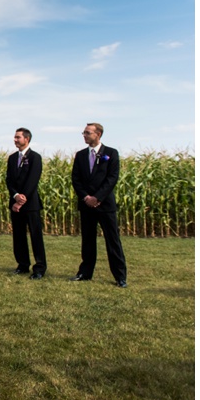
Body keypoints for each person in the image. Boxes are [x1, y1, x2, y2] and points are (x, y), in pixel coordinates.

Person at [70, 123, 128, 288]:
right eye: (84, 133)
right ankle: (85, 273)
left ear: (98, 134)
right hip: (86, 204)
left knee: (113, 240)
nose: (84, 135)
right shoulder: (80, 155)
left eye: (87, 133)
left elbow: (112, 178)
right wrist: (86, 197)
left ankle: (120, 276)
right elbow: (76, 179)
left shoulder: (110, 153)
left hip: (105, 205)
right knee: (87, 241)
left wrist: (97, 197)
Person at [5, 128, 47, 280]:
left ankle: (40, 267)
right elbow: (9, 180)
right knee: (18, 235)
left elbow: (32, 180)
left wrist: (22, 200)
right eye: (14, 137)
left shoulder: (35, 157)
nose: (15, 140)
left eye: (18, 137)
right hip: (15, 202)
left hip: (31, 205)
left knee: (36, 236)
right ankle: (22, 264)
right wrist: (15, 196)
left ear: (26, 139)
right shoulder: (12, 158)